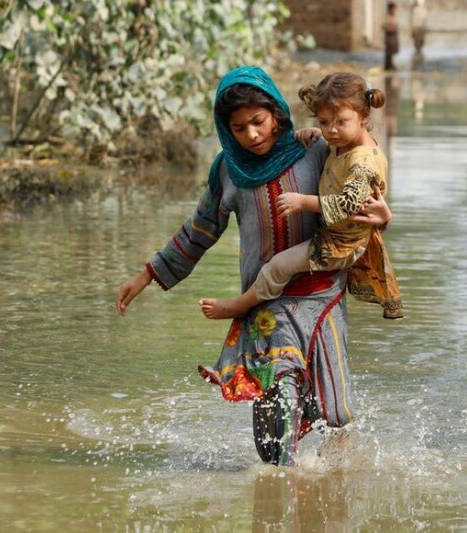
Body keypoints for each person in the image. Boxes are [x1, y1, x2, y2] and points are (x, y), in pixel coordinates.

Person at [115, 66, 392, 467]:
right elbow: (200, 230)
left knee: (335, 415)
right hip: (264, 304)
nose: (252, 135)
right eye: (239, 128)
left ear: (278, 114)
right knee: (276, 418)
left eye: (259, 122)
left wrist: (384, 216)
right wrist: (147, 274)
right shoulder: (228, 170)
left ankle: (334, 497)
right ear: (226, 129)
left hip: (323, 298)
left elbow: (362, 193)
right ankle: (278, 497)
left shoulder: (316, 149)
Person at [200, 72, 403, 321]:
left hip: (339, 244)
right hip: (337, 237)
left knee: (277, 267)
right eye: (324, 122)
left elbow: (348, 204)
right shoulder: (339, 145)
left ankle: (240, 305)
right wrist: (314, 133)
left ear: (364, 116)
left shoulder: (363, 161)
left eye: (340, 121)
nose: (332, 130)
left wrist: (302, 202)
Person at [383, 2, 399, 71]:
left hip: (393, 35)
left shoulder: (393, 16)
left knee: (392, 51)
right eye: (394, 9)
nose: (395, 10)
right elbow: (384, 26)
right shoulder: (388, 17)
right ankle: (388, 65)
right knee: (389, 51)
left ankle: (391, 64)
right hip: (389, 35)